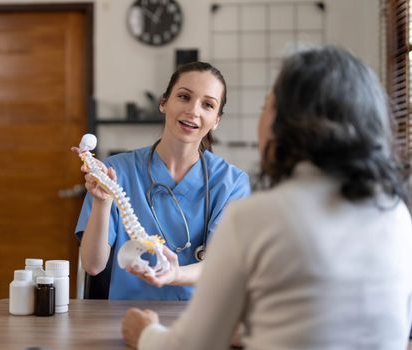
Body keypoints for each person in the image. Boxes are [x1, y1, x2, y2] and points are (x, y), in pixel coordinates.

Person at [121, 46, 412, 349]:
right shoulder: (396, 215)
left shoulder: (255, 217)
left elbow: (192, 345)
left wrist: (144, 332)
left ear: (287, 123)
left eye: (266, 106)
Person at [73, 61, 251, 300]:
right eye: (184, 97)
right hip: (122, 319)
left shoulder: (231, 184)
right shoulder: (115, 173)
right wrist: (102, 203)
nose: (193, 111)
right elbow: (93, 266)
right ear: (163, 102)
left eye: (208, 105)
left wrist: (173, 274)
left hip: (198, 321)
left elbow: (223, 264)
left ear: (216, 120)